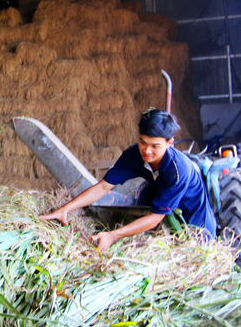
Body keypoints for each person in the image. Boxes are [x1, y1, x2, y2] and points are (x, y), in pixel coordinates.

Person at [41, 108, 216, 252]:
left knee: (193, 260)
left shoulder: (178, 170)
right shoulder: (134, 155)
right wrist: (66, 208)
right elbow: (102, 188)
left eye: (155, 146)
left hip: (194, 221)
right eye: (142, 141)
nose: (147, 150)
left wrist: (113, 235)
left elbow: (155, 218)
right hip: (165, 211)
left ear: (169, 143)